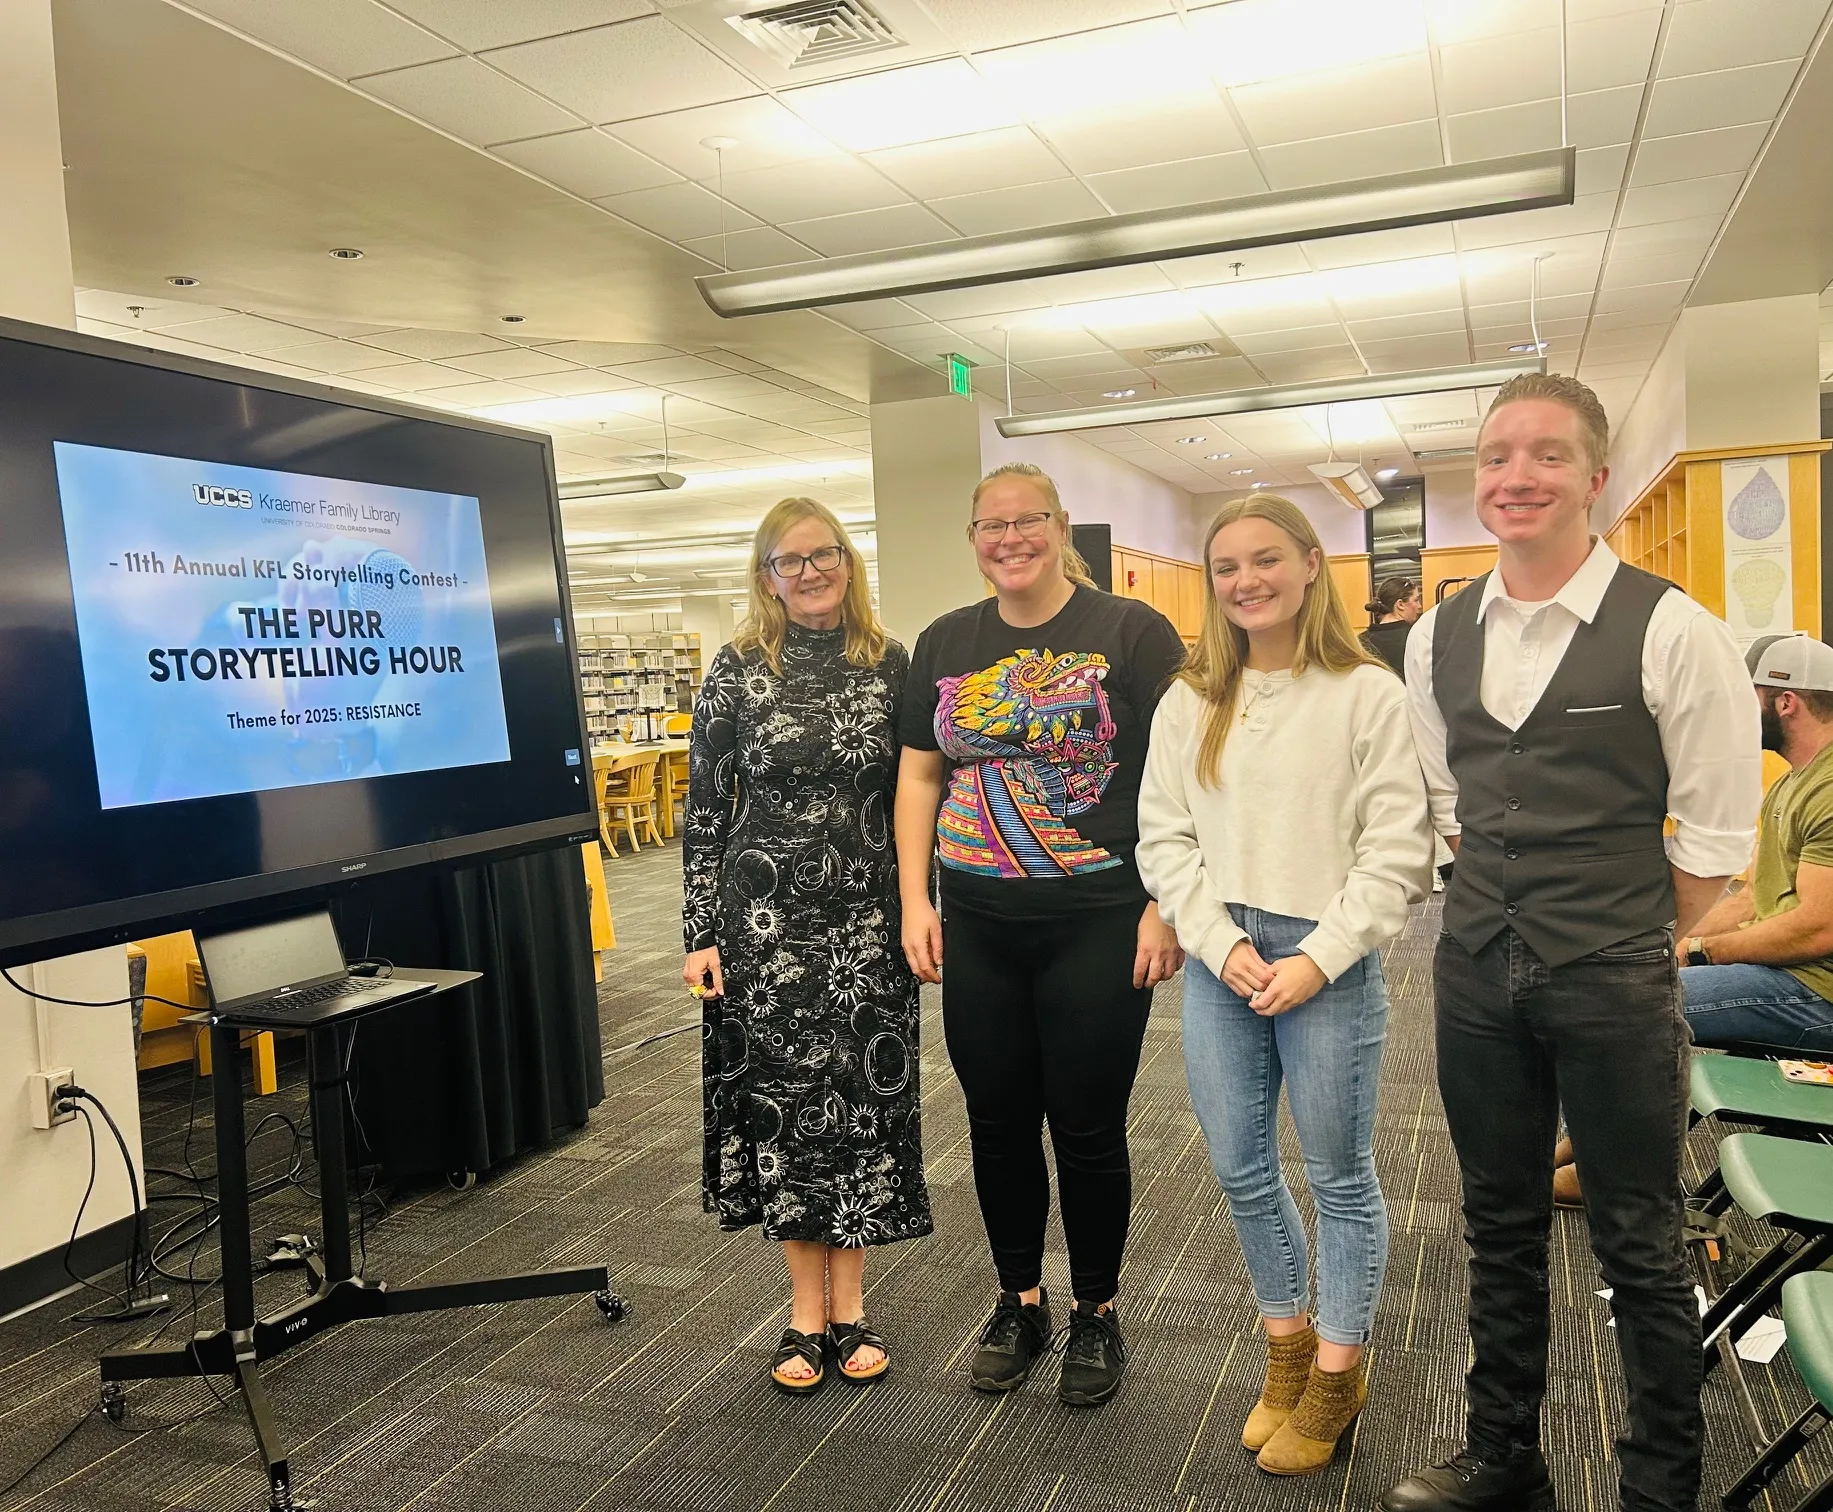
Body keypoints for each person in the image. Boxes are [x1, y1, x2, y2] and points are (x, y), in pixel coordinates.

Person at [1385, 373, 1761, 1512]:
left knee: (1637, 1243)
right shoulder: (1436, 638)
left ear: (1596, 478)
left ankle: (1660, 1485)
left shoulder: (1673, 628)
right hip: (1473, 970)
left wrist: (1619, 931)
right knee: (1495, 1222)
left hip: (1613, 976)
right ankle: (1504, 1453)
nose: (1517, 476)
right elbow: (1451, 799)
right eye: (1498, 456)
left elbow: (1714, 840)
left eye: (1547, 455)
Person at [1138, 495, 1432, 1475]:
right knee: (1239, 1168)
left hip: (1327, 958)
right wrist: (1218, 945)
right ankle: (1289, 1350)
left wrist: (1321, 956)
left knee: (1340, 1176)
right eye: (1226, 567)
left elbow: (1399, 849)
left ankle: (1340, 1375)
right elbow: (1164, 839)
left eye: (1266, 560)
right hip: (1226, 955)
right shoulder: (1190, 698)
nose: (1245, 580)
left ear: (1311, 565)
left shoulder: (1364, 692)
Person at [894, 462, 1186, 1408]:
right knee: (997, 1120)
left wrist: (1165, 902)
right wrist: (915, 900)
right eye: (990, 525)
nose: (1008, 538)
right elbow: (919, 779)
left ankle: (1095, 1310)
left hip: (1100, 922)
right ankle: (1018, 1298)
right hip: (978, 923)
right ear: (972, 538)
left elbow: (1186, 776)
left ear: (1062, 528)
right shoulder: (945, 640)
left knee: (1089, 1126)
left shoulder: (1131, 634)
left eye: (1027, 521)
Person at [682, 496, 930, 1397]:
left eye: (824, 554)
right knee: (786, 1110)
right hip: (765, 931)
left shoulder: (889, 664)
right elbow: (705, 809)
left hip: (867, 925)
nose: (811, 571)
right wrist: (697, 932)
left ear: (847, 562)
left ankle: (854, 1304)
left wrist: (919, 905)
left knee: (862, 1102)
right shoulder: (738, 670)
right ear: (765, 576)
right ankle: (803, 1312)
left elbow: (920, 795)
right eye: (790, 560)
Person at [1554, 632, 1833, 1205]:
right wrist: (1671, 938)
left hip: (1817, 993)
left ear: (1786, 701)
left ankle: (1609, 1174)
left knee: (1632, 1007)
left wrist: (1706, 951)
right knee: (1629, 979)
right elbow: (1755, 895)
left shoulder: (1829, 789)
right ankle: (1588, 1149)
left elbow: (1818, 927)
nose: (1735, 709)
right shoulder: (1795, 780)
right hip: (1793, 978)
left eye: (1745, 694)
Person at [1362, 577, 1423, 675]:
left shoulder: (1361, 642)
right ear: (1400, 605)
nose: (1419, 606)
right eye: (1416, 600)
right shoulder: (1416, 638)